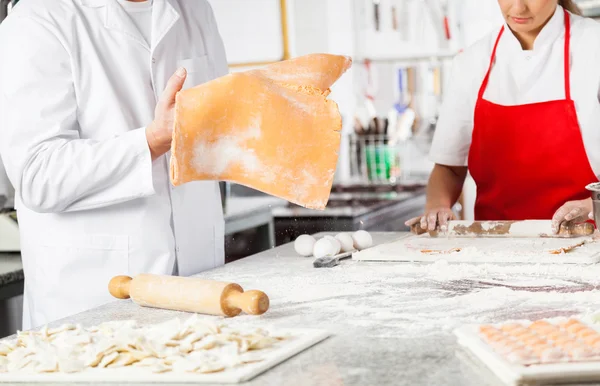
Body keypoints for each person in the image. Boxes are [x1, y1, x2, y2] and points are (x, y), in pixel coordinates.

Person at [0, 0, 228, 330]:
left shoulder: (194, 9)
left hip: (202, 293)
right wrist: (150, 142)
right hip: (93, 310)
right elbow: (38, 175)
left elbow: (218, 126)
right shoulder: (38, 20)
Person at [406, 0, 600, 233]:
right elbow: (450, 167)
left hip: (588, 241)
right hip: (495, 246)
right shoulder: (471, 62)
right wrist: (437, 206)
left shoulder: (593, 46)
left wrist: (593, 206)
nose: (518, 8)